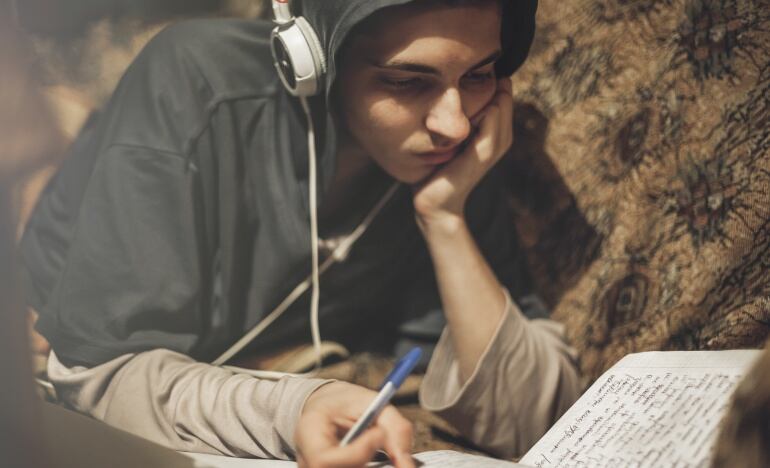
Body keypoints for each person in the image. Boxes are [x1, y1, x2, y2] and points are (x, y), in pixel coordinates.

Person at [19, 0, 581, 466]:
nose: (454, 122)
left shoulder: (458, 150)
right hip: (41, 318)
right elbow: (97, 373)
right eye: (408, 82)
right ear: (308, 60)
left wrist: (446, 218)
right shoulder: (192, 77)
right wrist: (295, 409)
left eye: (479, 74)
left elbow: (534, 425)